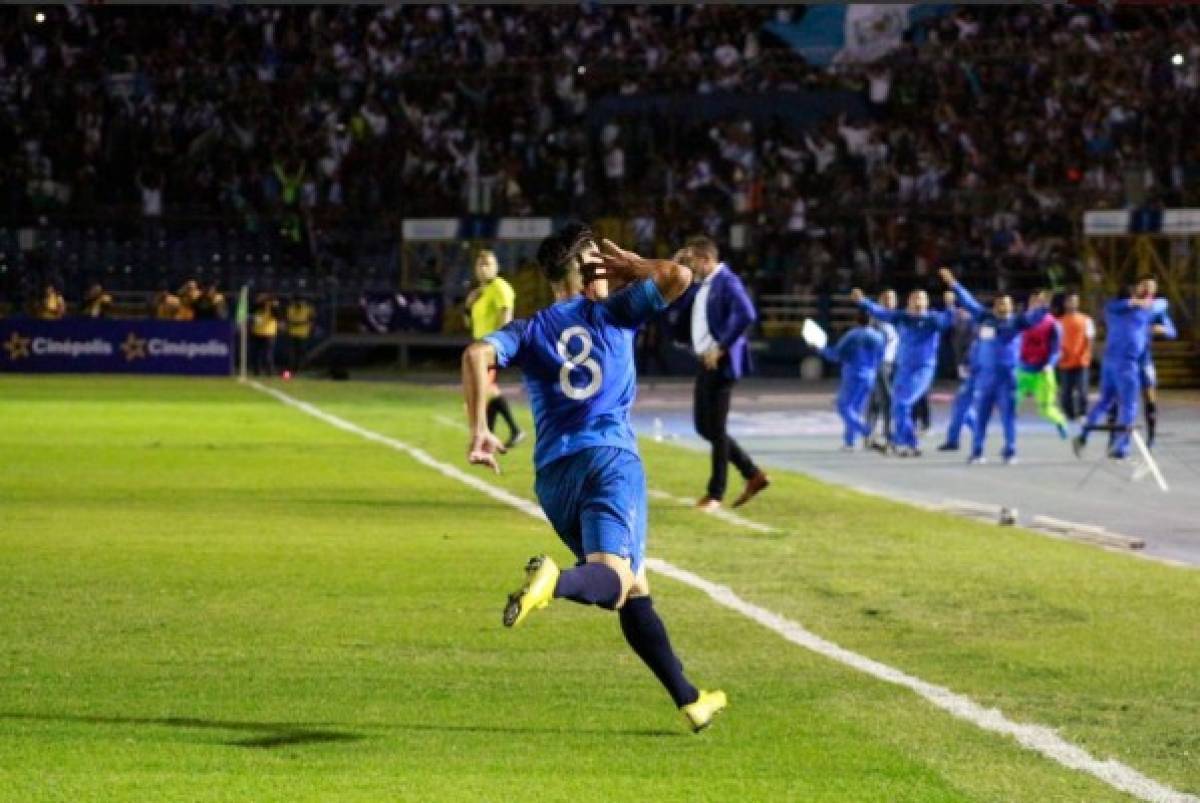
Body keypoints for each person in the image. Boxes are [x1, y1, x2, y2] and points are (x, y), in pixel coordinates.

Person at [460, 222, 726, 732]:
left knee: (633, 587)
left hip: (556, 478)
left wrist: (477, 431)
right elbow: (679, 275)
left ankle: (689, 698)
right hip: (609, 461)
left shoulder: (530, 330)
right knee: (612, 579)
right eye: (600, 260)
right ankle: (553, 582)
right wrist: (636, 264)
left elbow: (475, 355)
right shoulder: (614, 311)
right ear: (588, 270)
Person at [670, 235, 768, 511]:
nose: (693, 265)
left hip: (721, 363)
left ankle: (715, 493)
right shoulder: (704, 283)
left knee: (717, 428)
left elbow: (746, 313)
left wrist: (722, 347)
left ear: (706, 259)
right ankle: (752, 473)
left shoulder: (727, 281)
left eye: (694, 260)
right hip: (706, 361)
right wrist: (677, 268)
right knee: (705, 427)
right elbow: (678, 305)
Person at [946, 271, 1050, 464]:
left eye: (1008, 304)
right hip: (986, 377)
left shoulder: (1018, 321)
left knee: (1008, 417)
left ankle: (1010, 451)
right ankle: (977, 451)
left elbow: (1035, 317)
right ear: (995, 306)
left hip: (1007, 377)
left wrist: (1043, 306)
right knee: (981, 417)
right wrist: (954, 284)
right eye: (1002, 304)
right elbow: (968, 302)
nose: (1005, 307)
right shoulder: (985, 318)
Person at [850, 279, 956, 457]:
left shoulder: (932, 319)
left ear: (927, 303)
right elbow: (881, 313)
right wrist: (863, 301)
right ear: (908, 302)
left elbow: (948, 321)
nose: (917, 302)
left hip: (922, 369)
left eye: (921, 299)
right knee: (896, 406)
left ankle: (906, 442)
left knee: (903, 403)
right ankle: (903, 442)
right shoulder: (903, 318)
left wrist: (950, 305)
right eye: (914, 298)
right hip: (903, 368)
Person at [1074, 287, 1171, 460]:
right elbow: (1163, 304)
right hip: (1127, 364)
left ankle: (1084, 434)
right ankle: (1121, 448)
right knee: (1128, 405)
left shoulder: (1112, 308)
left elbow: (1119, 305)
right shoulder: (1140, 312)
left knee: (1105, 401)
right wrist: (1142, 302)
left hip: (1109, 362)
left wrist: (1137, 302)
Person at [465, 249, 524, 448]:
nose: (483, 269)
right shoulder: (479, 292)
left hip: (490, 349)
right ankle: (493, 432)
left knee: (486, 389)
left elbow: (506, 317)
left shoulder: (500, 288)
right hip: (479, 347)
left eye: (487, 264)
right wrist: (468, 306)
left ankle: (507, 431)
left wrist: (497, 345)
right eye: (480, 265)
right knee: (488, 390)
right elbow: (469, 322)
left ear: (496, 267)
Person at [819, 309, 885, 450]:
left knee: (844, 407)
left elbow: (836, 355)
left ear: (856, 320)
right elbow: (880, 357)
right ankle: (850, 441)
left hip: (854, 375)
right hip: (870, 375)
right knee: (855, 409)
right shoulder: (879, 337)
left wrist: (821, 348)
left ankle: (867, 431)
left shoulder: (852, 336)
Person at [1015, 299, 1070, 439]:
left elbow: (1056, 350)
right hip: (1022, 370)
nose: (1036, 305)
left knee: (1046, 409)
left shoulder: (1053, 324)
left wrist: (1050, 364)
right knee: (1010, 402)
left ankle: (1060, 422)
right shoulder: (1021, 320)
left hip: (1042, 372)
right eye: (1033, 301)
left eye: (1040, 302)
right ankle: (1009, 439)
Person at [1132, 278, 1176, 447]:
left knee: (1149, 395)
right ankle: (1117, 437)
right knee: (1121, 397)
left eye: (1152, 286)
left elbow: (1172, 332)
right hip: (1126, 358)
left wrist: (1161, 328)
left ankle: (1151, 436)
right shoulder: (1128, 304)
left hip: (1144, 358)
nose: (1148, 288)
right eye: (1144, 285)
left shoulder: (1157, 306)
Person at [938, 306, 978, 452]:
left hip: (975, 370)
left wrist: (968, 363)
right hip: (967, 368)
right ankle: (972, 433)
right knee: (962, 406)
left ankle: (954, 439)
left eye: (962, 309)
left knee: (961, 404)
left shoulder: (973, 324)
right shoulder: (959, 324)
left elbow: (975, 346)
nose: (958, 312)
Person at [865, 288, 899, 451]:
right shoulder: (876, 321)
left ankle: (869, 432)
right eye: (886, 298)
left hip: (893, 363)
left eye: (892, 299)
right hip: (880, 363)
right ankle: (887, 434)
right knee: (886, 398)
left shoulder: (898, 319)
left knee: (876, 399)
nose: (889, 302)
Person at [1056, 291, 1094, 421]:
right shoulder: (1058, 322)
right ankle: (1068, 413)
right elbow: (1055, 341)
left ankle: (1082, 413)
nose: (1073, 303)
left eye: (1075, 301)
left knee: (1082, 391)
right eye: (1070, 301)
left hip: (1081, 361)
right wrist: (1059, 354)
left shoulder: (1086, 320)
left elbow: (1089, 339)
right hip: (1065, 361)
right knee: (1065, 391)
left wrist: (1086, 355)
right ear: (1065, 303)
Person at [285, 296, 316, 374]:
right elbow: (288, 319)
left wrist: (308, 327)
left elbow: (312, 320)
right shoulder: (290, 308)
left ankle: (303, 367)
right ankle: (293, 368)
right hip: (292, 333)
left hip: (303, 333)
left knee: (302, 352)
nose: (299, 303)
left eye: (300, 301)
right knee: (293, 352)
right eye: (297, 301)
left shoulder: (308, 308)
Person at [250, 294, 278, 376]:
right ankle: (257, 372)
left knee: (268, 356)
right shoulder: (256, 307)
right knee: (256, 355)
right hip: (257, 333)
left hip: (269, 333)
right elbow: (251, 314)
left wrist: (274, 306)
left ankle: (269, 372)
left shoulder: (272, 307)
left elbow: (278, 315)